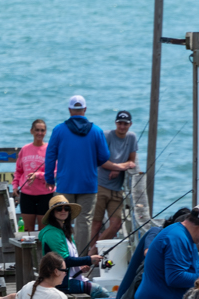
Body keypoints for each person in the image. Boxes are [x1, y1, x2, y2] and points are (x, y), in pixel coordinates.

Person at [43, 96, 136, 257]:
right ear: (85, 110)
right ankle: (80, 259)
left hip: (65, 184)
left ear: (70, 110)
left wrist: (50, 179)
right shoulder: (96, 131)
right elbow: (103, 157)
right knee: (84, 222)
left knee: (60, 220)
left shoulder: (59, 130)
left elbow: (50, 156)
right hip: (88, 184)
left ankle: (60, 256)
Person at [88, 111, 140, 254]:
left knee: (116, 224)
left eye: (125, 123)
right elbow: (101, 160)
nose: (122, 126)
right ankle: (93, 256)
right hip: (100, 185)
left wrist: (118, 169)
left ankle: (93, 252)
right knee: (96, 222)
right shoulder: (106, 136)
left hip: (117, 188)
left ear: (130, 124)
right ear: (116, 123)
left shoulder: (132, 137)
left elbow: (131, 161)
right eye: (120, 123)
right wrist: (119, 167)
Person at [12, 119, 54, 232]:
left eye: (42, 130)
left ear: (45, 132)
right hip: (27, 194)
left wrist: (38, 175)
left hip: (45, 194)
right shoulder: (25, 149)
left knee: (44, 229)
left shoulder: (50, 150)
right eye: (37, 130)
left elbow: (55, 172)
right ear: (31, 131)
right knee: (27, 229)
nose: (39, 133)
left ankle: (44, 250)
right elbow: (19, 170)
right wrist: (15, 186)